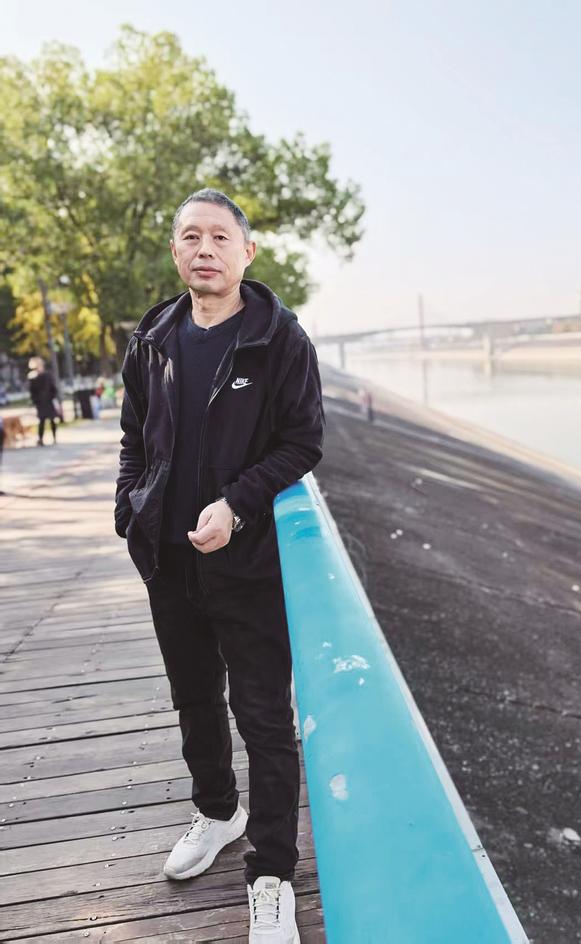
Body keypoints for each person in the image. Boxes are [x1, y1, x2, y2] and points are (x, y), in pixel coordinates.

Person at [114, 189, 324, 944]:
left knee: (263, 717)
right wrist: (128, 509)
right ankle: (216, 811)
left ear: (247, 251)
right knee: (195, 699)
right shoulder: (153, 340)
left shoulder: (279, 338)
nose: (205, 249)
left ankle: (271, 876)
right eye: (190, 237)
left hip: (249, 564)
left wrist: (236, 503)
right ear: (176, 250)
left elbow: (303, 442)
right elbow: (134, 438)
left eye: (220, 237)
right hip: (168, 563)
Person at [27, 356, 60, 446]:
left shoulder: (47, 375)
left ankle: (54, 438)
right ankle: (41, 439)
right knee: (42, 421)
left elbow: (53, 388)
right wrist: (35, 401)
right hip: (40, 403)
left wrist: (52, 397)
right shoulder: (33, 377)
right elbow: (32, 391)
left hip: (48, 401)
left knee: (52, 420)